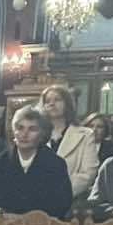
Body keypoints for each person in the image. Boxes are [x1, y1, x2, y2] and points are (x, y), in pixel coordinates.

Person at [41, 84, 100, 213]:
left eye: (57, 99)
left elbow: (88, 173)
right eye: (47, 101)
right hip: (38, 202)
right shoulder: (38, 135)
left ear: (67, 104)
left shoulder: (85, 134)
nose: (52, 104)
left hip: (71, 203)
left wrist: (60, 192)